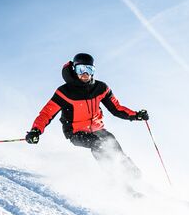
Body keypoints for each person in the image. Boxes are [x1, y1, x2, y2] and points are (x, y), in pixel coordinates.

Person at [26, 53, 148, 187]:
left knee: (112, 144)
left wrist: (136, 115)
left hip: (98, 129)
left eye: (89, 70)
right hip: (76, 133)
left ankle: (136, 178)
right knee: (98, 144)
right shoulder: (64, 92)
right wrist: (35, 131)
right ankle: (118, 182)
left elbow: (116, 109)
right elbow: (46, 113)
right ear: (74, 70)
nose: (85, 74)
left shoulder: (100, 88)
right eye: (81, 69)